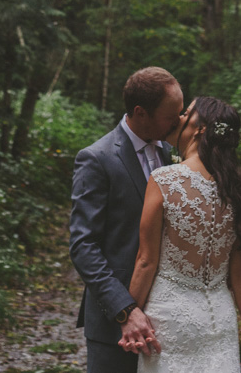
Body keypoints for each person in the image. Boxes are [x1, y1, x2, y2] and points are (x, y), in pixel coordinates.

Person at [120, 96, 241, 373]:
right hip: (220, 322)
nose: (179, 118)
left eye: (186, 112)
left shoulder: (165, 180)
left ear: (200, 128)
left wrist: (128, 316)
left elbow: (146, 261)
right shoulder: (238, 192)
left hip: (171, 319)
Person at [71, 67, 185, 373]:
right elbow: (83, 247)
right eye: (172, 115)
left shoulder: (175, 154)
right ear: (140, 112)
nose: (180, 121)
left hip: (169, 316)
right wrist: (125, 309)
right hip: (116, 325)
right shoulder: (97, 159)